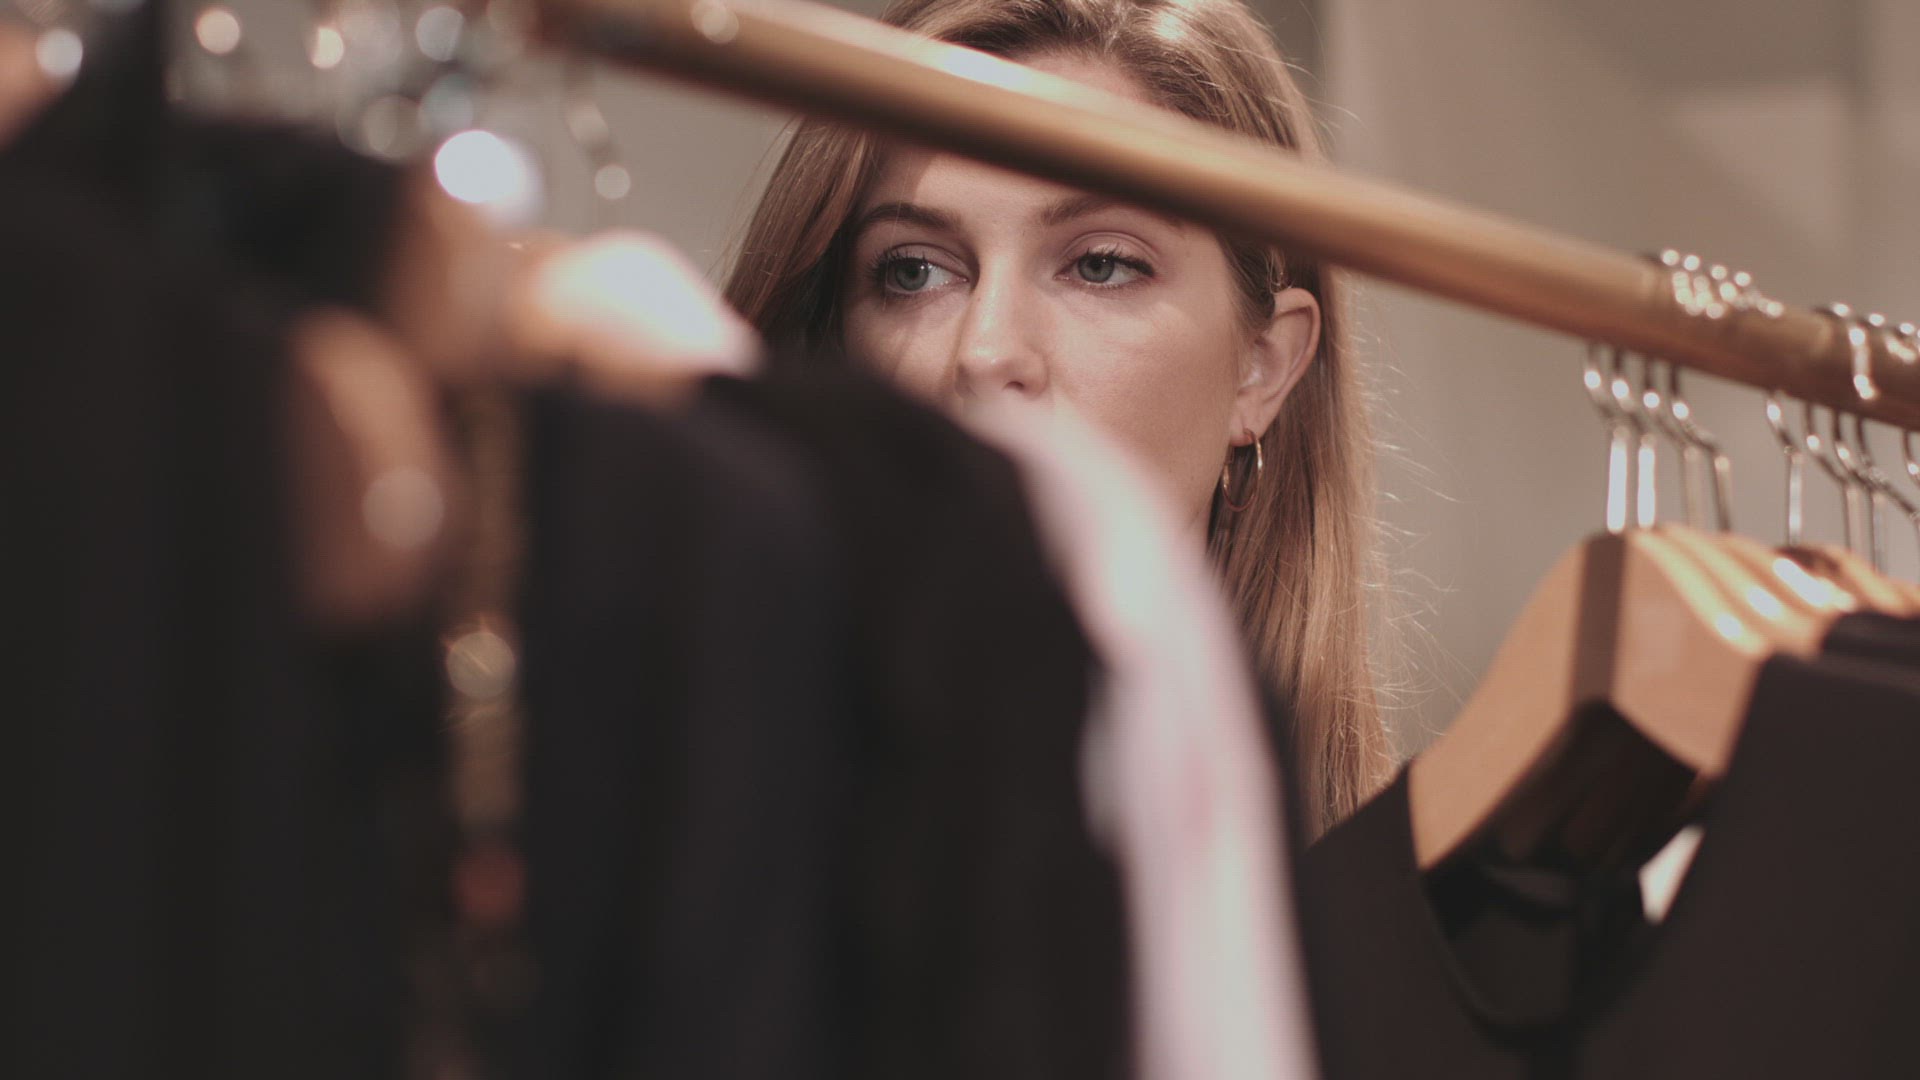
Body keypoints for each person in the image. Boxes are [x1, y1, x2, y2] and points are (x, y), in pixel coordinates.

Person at [724, 0, 1390, 836]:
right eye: (913, 271)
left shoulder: (1382, 904)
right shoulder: (695, 832)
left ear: (1261, 367)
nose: (985, 351)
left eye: (1102, 264)